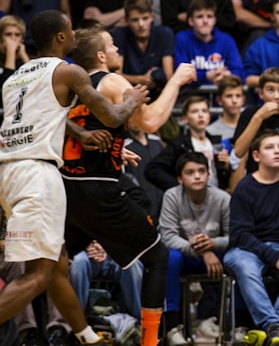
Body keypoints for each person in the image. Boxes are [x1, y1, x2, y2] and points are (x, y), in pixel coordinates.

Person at [0, 10, 146, 346]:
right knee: (39, 276)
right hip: (37, 173)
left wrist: (78, 134)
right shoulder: (69, 71)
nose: (75, 34)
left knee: (57, 265)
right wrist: (131, 100)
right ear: (61, 37)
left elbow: (42, 117)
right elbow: (110, 117)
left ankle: (87, 336)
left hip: (10, 173)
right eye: (70, 29)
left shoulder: (16, 77)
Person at [62, 25, 196, 346]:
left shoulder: (68, 87)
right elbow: (149, 122)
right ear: (100, 56)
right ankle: (150, 342)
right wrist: (176, 80)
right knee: (157, 257)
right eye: (113, 46)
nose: (118, 50)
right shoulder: (112, 81)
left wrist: (114, 147)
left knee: (52, 268)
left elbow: (73, 128)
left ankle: (68, 333)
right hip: (99, 193)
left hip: (68, 190)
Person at [224, 130, 279, 346]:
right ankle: (274, 327)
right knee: (247, 268)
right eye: (270, 147)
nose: (277, 151)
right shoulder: (245, 187)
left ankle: (274, 331)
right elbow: (241, 235)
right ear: (256, 156)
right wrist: (274, 257)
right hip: (246, 248)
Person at [159, 152, 230, 337]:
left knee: (236, 258)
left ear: (209, 175)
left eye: (201, 171)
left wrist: (212, 244)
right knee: (170, 258)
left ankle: (223, 321)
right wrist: (203, 252)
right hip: (186, 256)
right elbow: (167, 236)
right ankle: (173, 326)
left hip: (216, 255)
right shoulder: (172, 196)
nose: (197, 176)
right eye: (190, 172)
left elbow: (234, 237)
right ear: (180, 178)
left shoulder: (222, 198)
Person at [146, 96, 232, 191]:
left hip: (215, 196)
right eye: (194, 111)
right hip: (190, 198)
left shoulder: (216, 142)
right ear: (185, 119)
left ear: (209, 116)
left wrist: (227, 165)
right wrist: (179, 188)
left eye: (204, 111)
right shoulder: (179, 144)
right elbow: (152, 169)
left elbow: (222, 174)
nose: (200, 115)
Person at [110, 0, 175, 100]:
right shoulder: (119, 35)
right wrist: (142, 80)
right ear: (126, 20)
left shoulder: (164, 34)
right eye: (135, 20)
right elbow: (116, 76)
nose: (141, 24)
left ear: (152, 17)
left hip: (158, 95)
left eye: (145, 18)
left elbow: (169, 76)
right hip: (127, 96)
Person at [173, 0, 245, 87]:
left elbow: (240, 72)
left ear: (215, 20)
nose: (205, 21)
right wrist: (206, 76)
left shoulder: (226, 40)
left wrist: (227, 75)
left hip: (221, 97)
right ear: (191, 21)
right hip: (190, 97)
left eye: (209, 16)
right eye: (200, 17)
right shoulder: (182, 39)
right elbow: (180, 74)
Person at [0, 16, 29, 100]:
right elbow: (6, 89)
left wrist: (24, 56)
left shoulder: (26, 59)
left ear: (22, 39)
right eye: (8, 34)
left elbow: (38, 85)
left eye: (17, 35)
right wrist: (11, 53)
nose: (13, 38)